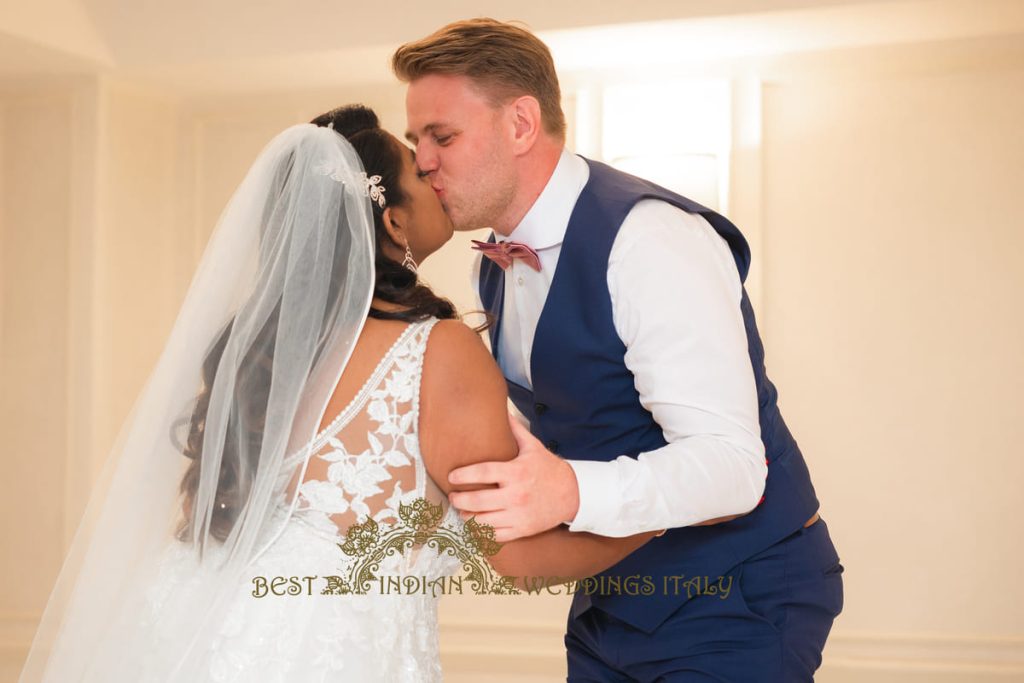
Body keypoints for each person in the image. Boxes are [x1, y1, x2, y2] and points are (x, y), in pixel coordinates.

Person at [18, 106, 659, 683]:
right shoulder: (436, 350)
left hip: (197, 629)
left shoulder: (260, 355)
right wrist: (670, 507)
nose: (435, 173)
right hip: (327, 654)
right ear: (393, 219)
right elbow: (517, 559)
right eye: (417, 167)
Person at [393, 18, 845, 682]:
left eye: (443, 136)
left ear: (521, 124)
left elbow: (733, 466)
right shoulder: (491, 267)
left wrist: (569, 489)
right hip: (612, 599)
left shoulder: (649, 240)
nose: (423, 160)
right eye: (415, 141)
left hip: (738, 594)